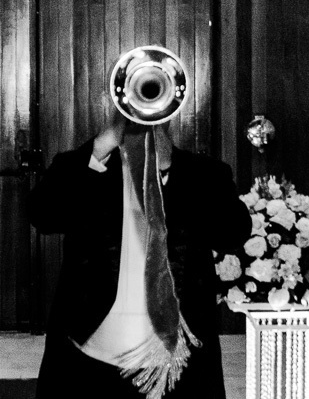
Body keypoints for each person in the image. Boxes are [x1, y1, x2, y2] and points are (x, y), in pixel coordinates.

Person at [28, 95, 251, 399]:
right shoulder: (85, 167)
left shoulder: (206, 173)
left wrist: (167, 162)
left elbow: (232, 233)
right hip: (93, 342)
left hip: (175, 350)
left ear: (171, 110)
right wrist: (101, 145)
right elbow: (43, 214)